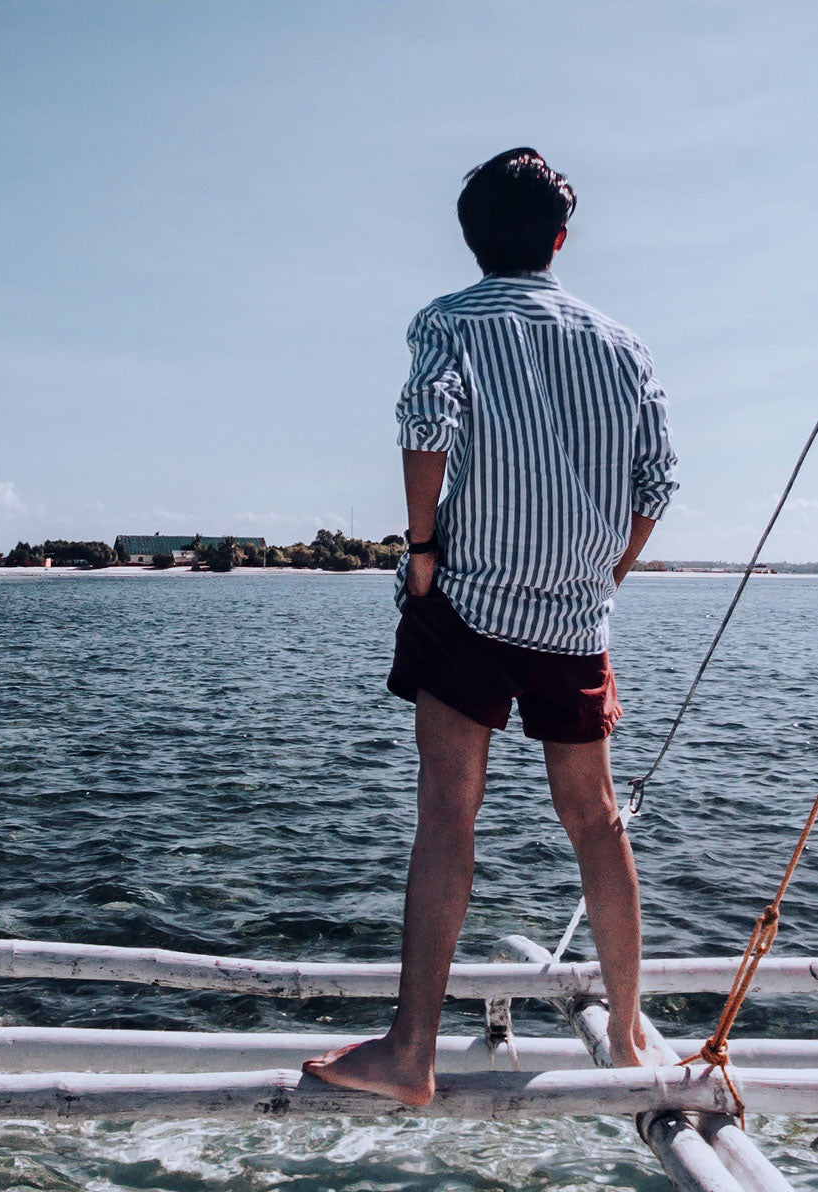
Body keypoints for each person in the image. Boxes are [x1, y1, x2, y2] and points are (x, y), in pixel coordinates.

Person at [303, 147, 679, 1106]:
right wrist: (602, 577)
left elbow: (426, 422)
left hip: (466, 595)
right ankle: (631, 1036)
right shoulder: (621, 343)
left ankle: (410, 1053)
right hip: (573, 609)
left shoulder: (451, 319)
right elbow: (656, 485)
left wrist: (421, 546)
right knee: (595, 821)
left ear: (471, 239)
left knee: (446, 813)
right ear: (560, 240)